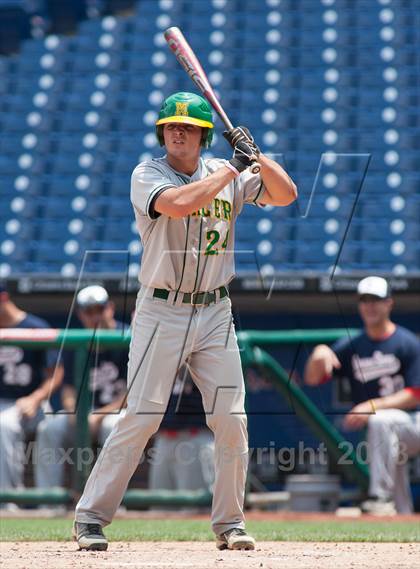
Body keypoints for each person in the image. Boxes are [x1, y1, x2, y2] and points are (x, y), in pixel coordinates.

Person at [73, 91, 297, 551]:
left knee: (232, 418)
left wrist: (258, 156)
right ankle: (90, 517)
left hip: (216, 309)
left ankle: (230, 523)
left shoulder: (224, 170)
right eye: (171, 125)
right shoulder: (148, 173)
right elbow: (177, 204)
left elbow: (286, 194)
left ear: (203, 135)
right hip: (162, 309)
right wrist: (236, 168)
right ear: (162, 132)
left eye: (188, 126)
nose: (178, 131)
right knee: (142, 416)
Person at [304, 276, 420, 514]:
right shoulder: (352, 345)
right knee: (387, 442)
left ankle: (379, 498)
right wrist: (320, 352)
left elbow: (416, 394)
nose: (370, 306)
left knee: (380, 420)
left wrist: (372, 405)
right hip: (388, 431)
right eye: (365, 300)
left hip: (414, 421)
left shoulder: (407, 342)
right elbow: (313, 378)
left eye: (375, 300)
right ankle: (400, 519)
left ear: (389, 303)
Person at [35, 285, 127, 489]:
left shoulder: (129, 337)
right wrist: (73, 412)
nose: (94, 316)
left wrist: (98, 415)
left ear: (110, 307)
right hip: (84, 413)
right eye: (88, 311)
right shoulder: (77, 341)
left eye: (99, 309)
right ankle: (48, 501)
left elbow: (135, 391)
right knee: (49, 428)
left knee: (112, 427)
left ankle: (112, 501)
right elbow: (68, 389)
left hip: (117, 411)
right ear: (80, 314)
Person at [0, 281, 63, 492]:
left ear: (3, 298)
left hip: (33, 402)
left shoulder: (35, 326)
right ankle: (9, 501)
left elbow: (56, 373)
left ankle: (44, 501)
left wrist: (35, 398)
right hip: (4, 402)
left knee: (46, 429)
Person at [148, 365, 214, 494]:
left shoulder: (205, 349)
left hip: (195, 437)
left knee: (194, 510)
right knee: (159, 509)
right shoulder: (154, 351)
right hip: (163, 440)